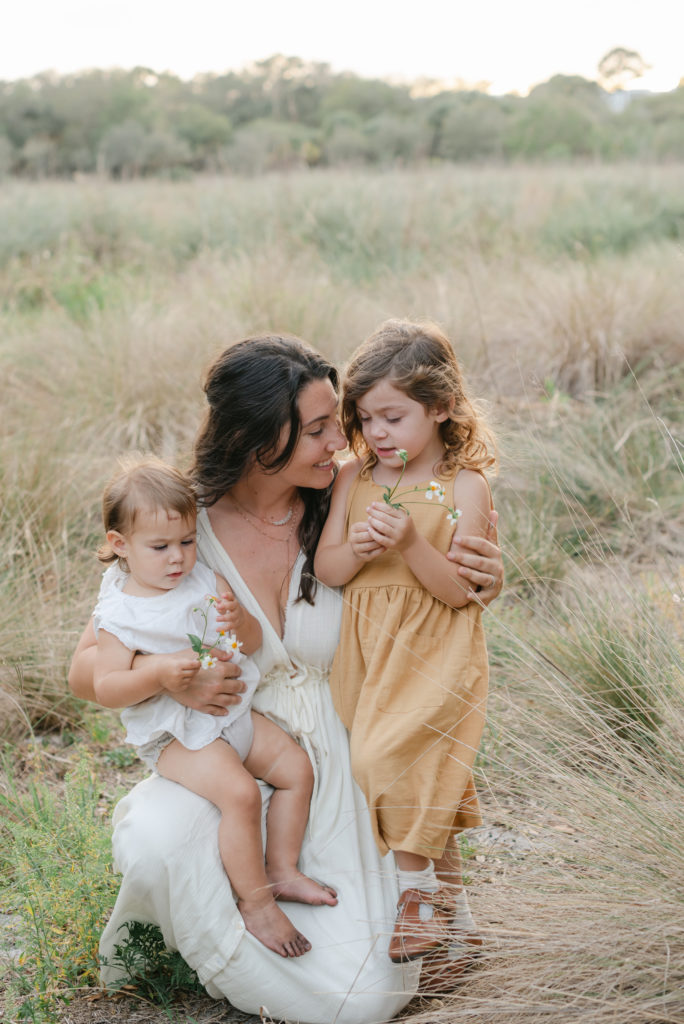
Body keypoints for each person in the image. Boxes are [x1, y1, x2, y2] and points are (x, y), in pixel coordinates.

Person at [68, 333, 504, 1024]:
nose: (345, 440)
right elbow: (87, 671)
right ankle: (232, 908)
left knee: (366, 995)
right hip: (236, 740)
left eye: (343, 419)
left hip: (350, 738)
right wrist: (165, 676)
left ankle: (404, 907)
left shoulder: (356, 494)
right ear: (255, 437)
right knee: (159, 844)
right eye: (319, 428)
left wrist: (483, 575)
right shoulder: (182, 530)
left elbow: (441, 568)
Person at [92, 454, 336, 960]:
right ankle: (257, 904)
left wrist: (239, 618)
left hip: (233, 716)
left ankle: (283, 868)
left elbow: (247, 643)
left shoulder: (203, 579)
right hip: (176, 735)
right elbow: (106, 685)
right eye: (159, 547)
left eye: (186, 541)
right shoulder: (121, 611)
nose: (177, 557)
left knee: (296, 768)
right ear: (120, 546)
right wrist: (157, 673)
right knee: (240, 795)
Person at [315, 319, 495, 966]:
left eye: (393, 416)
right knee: (417, 773)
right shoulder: (351, 478)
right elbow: (328, 569)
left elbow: (458, 591)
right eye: (365, 420)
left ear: (441, 407)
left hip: (434, 646)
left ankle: (417, 899)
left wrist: (411, 543)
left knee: (383, 760)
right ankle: (461, 928)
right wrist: (358, 550)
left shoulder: (464, 487)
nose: (378, 434)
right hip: (367, 650)